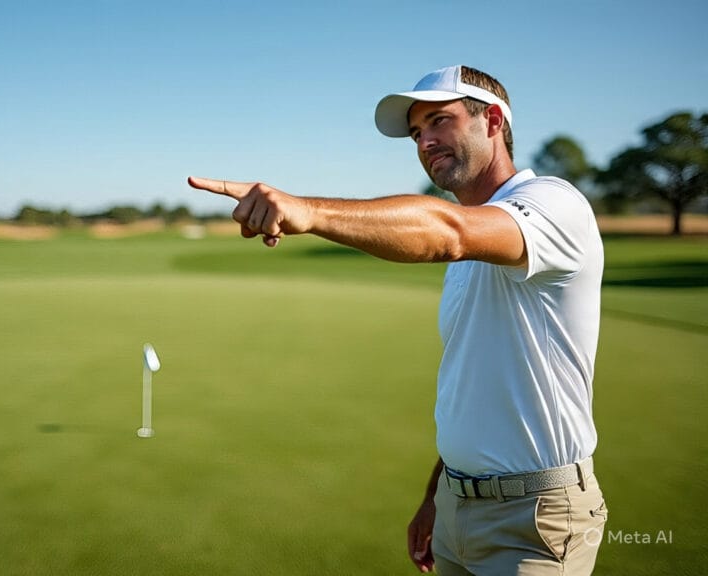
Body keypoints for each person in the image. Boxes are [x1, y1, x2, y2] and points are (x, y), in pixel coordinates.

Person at [189, 65, 607, 575]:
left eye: (439, 121)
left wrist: (309, 211)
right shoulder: (471, 248)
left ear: (493, 120)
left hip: (535, 518)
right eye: (416, 132)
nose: (425, 141)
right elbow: (476, 383)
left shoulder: (553, 204)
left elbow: (445, 230)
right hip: (458, 506)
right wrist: (439, 492)